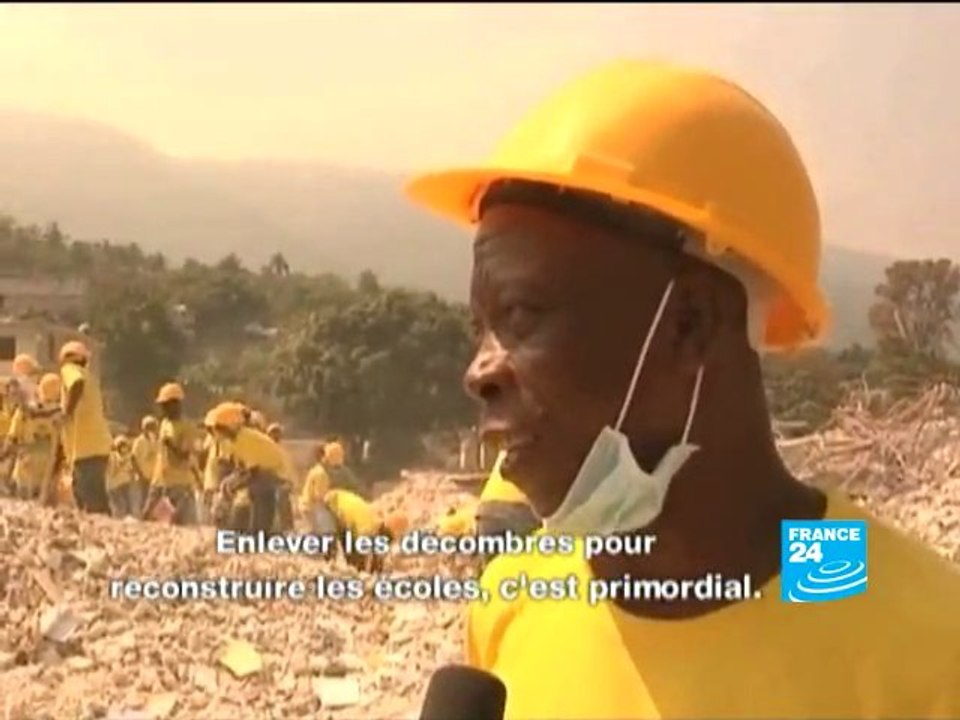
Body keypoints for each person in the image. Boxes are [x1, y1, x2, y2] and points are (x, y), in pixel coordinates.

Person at [404, 60, 960, 719]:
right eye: (481, 328)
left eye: (522, 314)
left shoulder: (925, 647)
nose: (479, 372)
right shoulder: (514, 605)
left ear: (690, 324)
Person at [208, 402, 285, 535]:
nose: (216, 432)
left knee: (259, 500)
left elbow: (253, 472)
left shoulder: (246, 439)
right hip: (265, 476)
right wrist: (229, 483)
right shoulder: (237, 440)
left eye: (219, 428)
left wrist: (233, 486)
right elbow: (242, 468)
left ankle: (261, 533)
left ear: (227, 428)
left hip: (273, 475)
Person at [58, 340, 112, 514]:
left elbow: (76, 383)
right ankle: (106, 523)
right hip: (98, 444)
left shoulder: (69, 370)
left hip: (86, 447)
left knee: (88, 495)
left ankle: (103, 524)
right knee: (94, 493)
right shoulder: (91, 377)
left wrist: (67, 413)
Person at [144, 382, 198, 525]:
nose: (163, 409)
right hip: (159, 479)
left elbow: (184, 455)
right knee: (148, 517)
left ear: (176, 404)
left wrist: (170, 444)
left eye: (166, 405)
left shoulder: (187, 426)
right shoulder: (164, 423)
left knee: (180, 523)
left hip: (179, 483)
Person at [4, 372, 61, 501]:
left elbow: (11, 440)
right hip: (49, 476)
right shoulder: (61, 415)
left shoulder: (24, 412)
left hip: (25, 472)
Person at [267, 421, 296, 532]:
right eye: (273, 432)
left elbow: (289, 467)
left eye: (278, 432)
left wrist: (291, 481)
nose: (276, 435)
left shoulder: (283, 450)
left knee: (284, 503)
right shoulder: (265, 448)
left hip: (283, 482)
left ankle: (287, 528)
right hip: (270, 481)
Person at [107, 434, 141, 518]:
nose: (124, 449)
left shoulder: (130, 457)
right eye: (122, 446)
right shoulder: (113, 457)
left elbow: (134, 469)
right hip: (116, 484)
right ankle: (118, 518)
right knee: (119, 504)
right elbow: (111, 472)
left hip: (126, 483)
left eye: (125, 446)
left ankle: (128, 517)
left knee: (129, 501)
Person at [131, 415, 159, 514]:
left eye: (153, 427)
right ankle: (142, 516)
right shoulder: (139, 441)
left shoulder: (157, 441)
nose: (152, 430)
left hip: (155, 476)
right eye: (149, 427)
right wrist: (139, 473)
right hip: (143, 475)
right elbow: (133, 458)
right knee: (144, 497)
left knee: (154, 498)